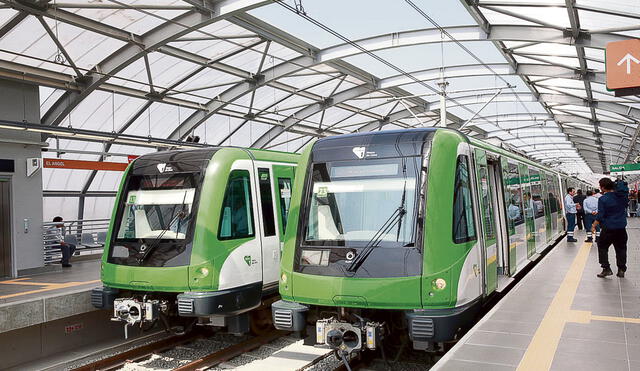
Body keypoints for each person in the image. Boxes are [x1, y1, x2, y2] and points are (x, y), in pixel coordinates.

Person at [592, 178, 628, 278]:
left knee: (602, 247)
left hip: (608, 229)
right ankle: (621, 270)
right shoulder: (622, 197)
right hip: (621, 229)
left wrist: (593, 225)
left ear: (603, 187)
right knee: (621, 249)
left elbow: (600, 215)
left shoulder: (603, 199)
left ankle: (606, 268)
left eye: (600, 186)